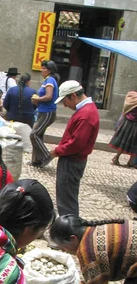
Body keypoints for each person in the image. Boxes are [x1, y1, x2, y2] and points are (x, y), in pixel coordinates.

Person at [46, 80, 99, 216]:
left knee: (67, 200)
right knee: (66, 197)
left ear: (73, 95)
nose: (65, 104)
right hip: (72, 159)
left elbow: (76, 144)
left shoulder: (85, 114)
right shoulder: (86, 110)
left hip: (72, 161)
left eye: (65, 100)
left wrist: (57, 151)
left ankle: (69, 231)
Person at [29, 60, 59, 167]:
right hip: (42, 111)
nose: (41, 70)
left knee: (34, 134)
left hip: (48, 112)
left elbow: (49, 96)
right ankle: (36, 160)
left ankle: (47, 155)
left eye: (43, 68)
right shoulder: (46, 80)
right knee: (39, 135)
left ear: (49, 70)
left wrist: (38, 99)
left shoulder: (50, 80)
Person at [110, 91, 137, 167]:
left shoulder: (132, 97)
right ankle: (130, 162)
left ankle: (117, 157)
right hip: (134, 124)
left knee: (124, 142)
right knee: (133, 143)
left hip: (126, 122)